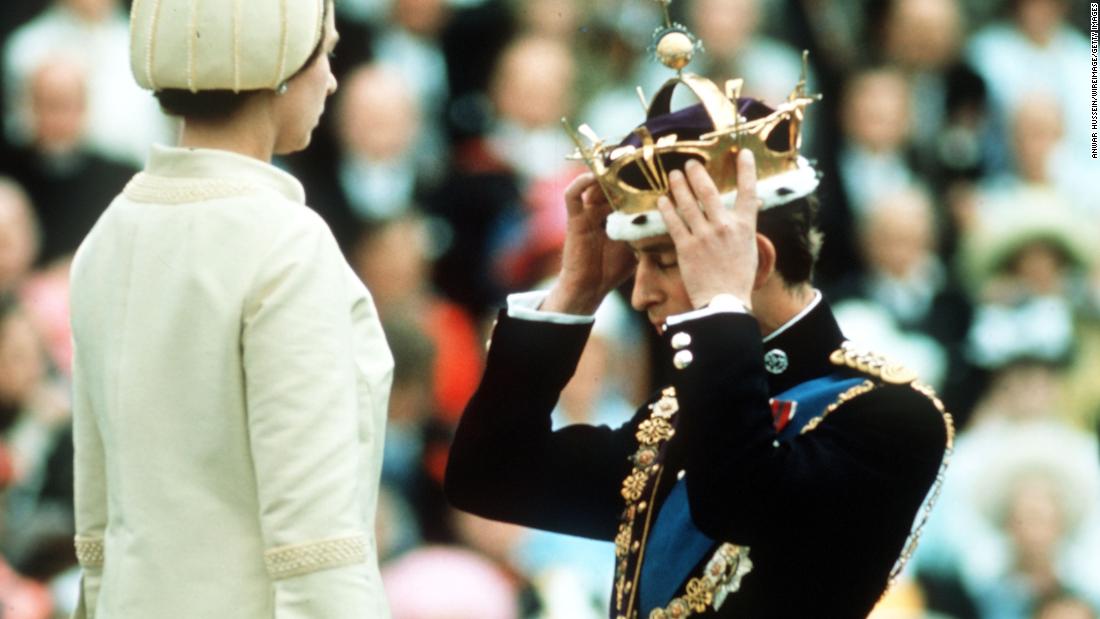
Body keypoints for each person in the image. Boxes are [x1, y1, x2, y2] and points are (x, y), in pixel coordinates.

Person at [445, 28, 954, 617]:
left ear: (756, 259)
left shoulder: (892, 418)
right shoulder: (675, 418)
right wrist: (575, 292)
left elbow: (736, 498)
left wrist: (719, 306)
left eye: (665, 261)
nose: (638, 295)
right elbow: (488, 475)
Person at [68, 1, 392, 617]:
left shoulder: (106, 235)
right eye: (322, 53)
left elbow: (97, 529)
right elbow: (316, 543)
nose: (330, 76)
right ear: (276, 67)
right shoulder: (287, 245)